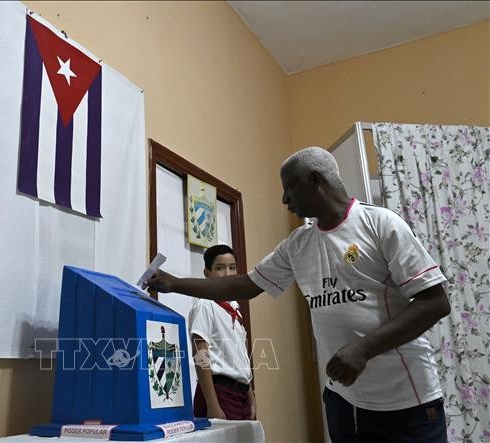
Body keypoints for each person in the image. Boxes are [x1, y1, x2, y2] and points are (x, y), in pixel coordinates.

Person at [148, 147, 450, 442]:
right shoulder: (298, 244)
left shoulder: (381, 224)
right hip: (344, 402)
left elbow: (435, 302)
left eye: (289, 187)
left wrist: (363, 349)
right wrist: (174, 284)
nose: (284, 198)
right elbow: (245, 285)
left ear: (316, 180)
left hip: (407, 401)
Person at [189, 244, 256, 420]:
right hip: (219, 392)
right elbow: (200, 353)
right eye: (220, 268)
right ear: (207, 273)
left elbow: (239, 357)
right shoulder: (206, 304)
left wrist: (251, 397)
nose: (227, 274)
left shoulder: (235, 309)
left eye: (232, 268)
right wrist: (212, 405)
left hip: (240, 394)